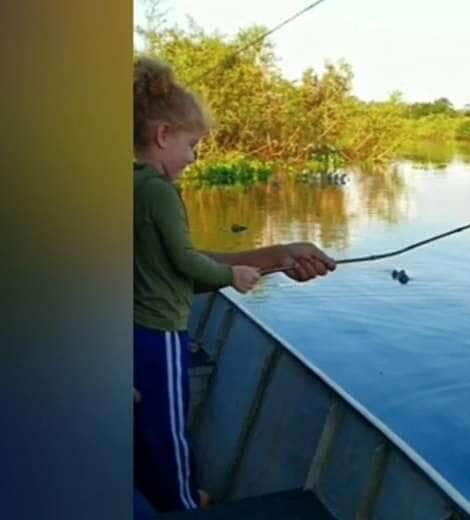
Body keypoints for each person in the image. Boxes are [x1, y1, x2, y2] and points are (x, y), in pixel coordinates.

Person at [133, 56, 336, 513]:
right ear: (163, 135)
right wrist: (234, 276)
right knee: (168, 427)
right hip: (158, 332)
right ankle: (182, 503)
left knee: (149, 426)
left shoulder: (129, 184)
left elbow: (164, 264)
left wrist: (278, 257)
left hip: (132, 330)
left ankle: (160, 491)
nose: (194, 158)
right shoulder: (160, 191)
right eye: (193, 146)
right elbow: (185, 262)